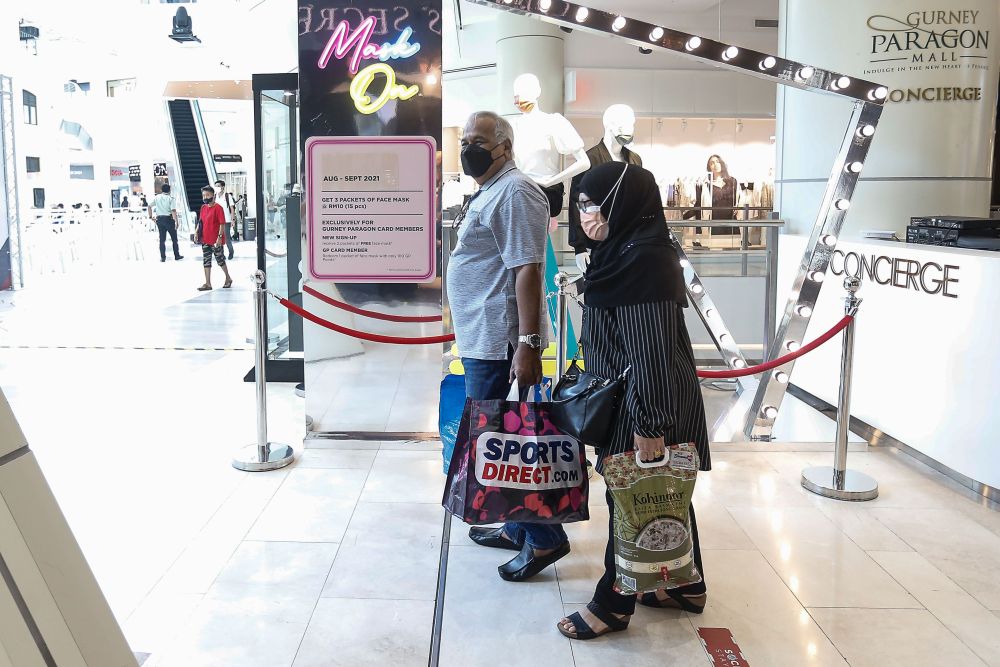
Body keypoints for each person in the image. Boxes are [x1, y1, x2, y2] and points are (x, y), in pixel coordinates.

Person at [557, 162, 711, 641]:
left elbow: (651, 352)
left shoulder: (642, 258)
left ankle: (614, 603)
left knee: (631, 495)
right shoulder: (621, 251)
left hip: (643, 399)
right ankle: (685, 586)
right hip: (633, 392)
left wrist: (650, 425)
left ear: (622, 202)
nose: (586, 213)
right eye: (582, 203)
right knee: (662, 488)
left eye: (594, 203)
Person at [446, 110, 569, 582]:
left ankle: (544, 536)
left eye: (477, 141)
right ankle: (518, 525)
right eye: (464, 141)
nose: (468, 149)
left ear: (505, 147)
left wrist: (528, 345)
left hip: (500, 341)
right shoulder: (492, 189)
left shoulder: (516, 191)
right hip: (483, 336)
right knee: (500, 438)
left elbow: (528, 270)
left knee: (499, 439)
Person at [197, 185, 233, 291]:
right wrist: (196, 232)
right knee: (206, 261)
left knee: (220, 259)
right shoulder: (203, 208)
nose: (205, 197)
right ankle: (208, 283)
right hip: (205, 239)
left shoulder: (218, 208)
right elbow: (200, 221)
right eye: (203, 195)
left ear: (213, 195)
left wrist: (219, 237)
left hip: (216, 240)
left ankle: (228, 278)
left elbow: (222, 224)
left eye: (207, 195)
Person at [150, 184, 183, 262]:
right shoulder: (171, 199)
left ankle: (163, 257)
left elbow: (149, 206)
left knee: (162, 239)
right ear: (169, 190)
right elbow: (173, 210)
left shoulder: (157, 197)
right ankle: (177, 255)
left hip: (159, 219)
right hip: (169, 219)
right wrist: (176, 221)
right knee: (174, 239)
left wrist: (151, 217)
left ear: (162, 190)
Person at [214, 179, 236, 260]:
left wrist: (233, 220)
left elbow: (232, 209)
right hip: (217, 221)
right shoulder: (214, 196)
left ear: (223, 187)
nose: (217, 187)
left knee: (226, 238)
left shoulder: (227, 196)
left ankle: (231, 252)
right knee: (219, 238)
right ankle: (221, 254)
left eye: (218, 186)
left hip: (226, 220)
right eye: (215, 186)